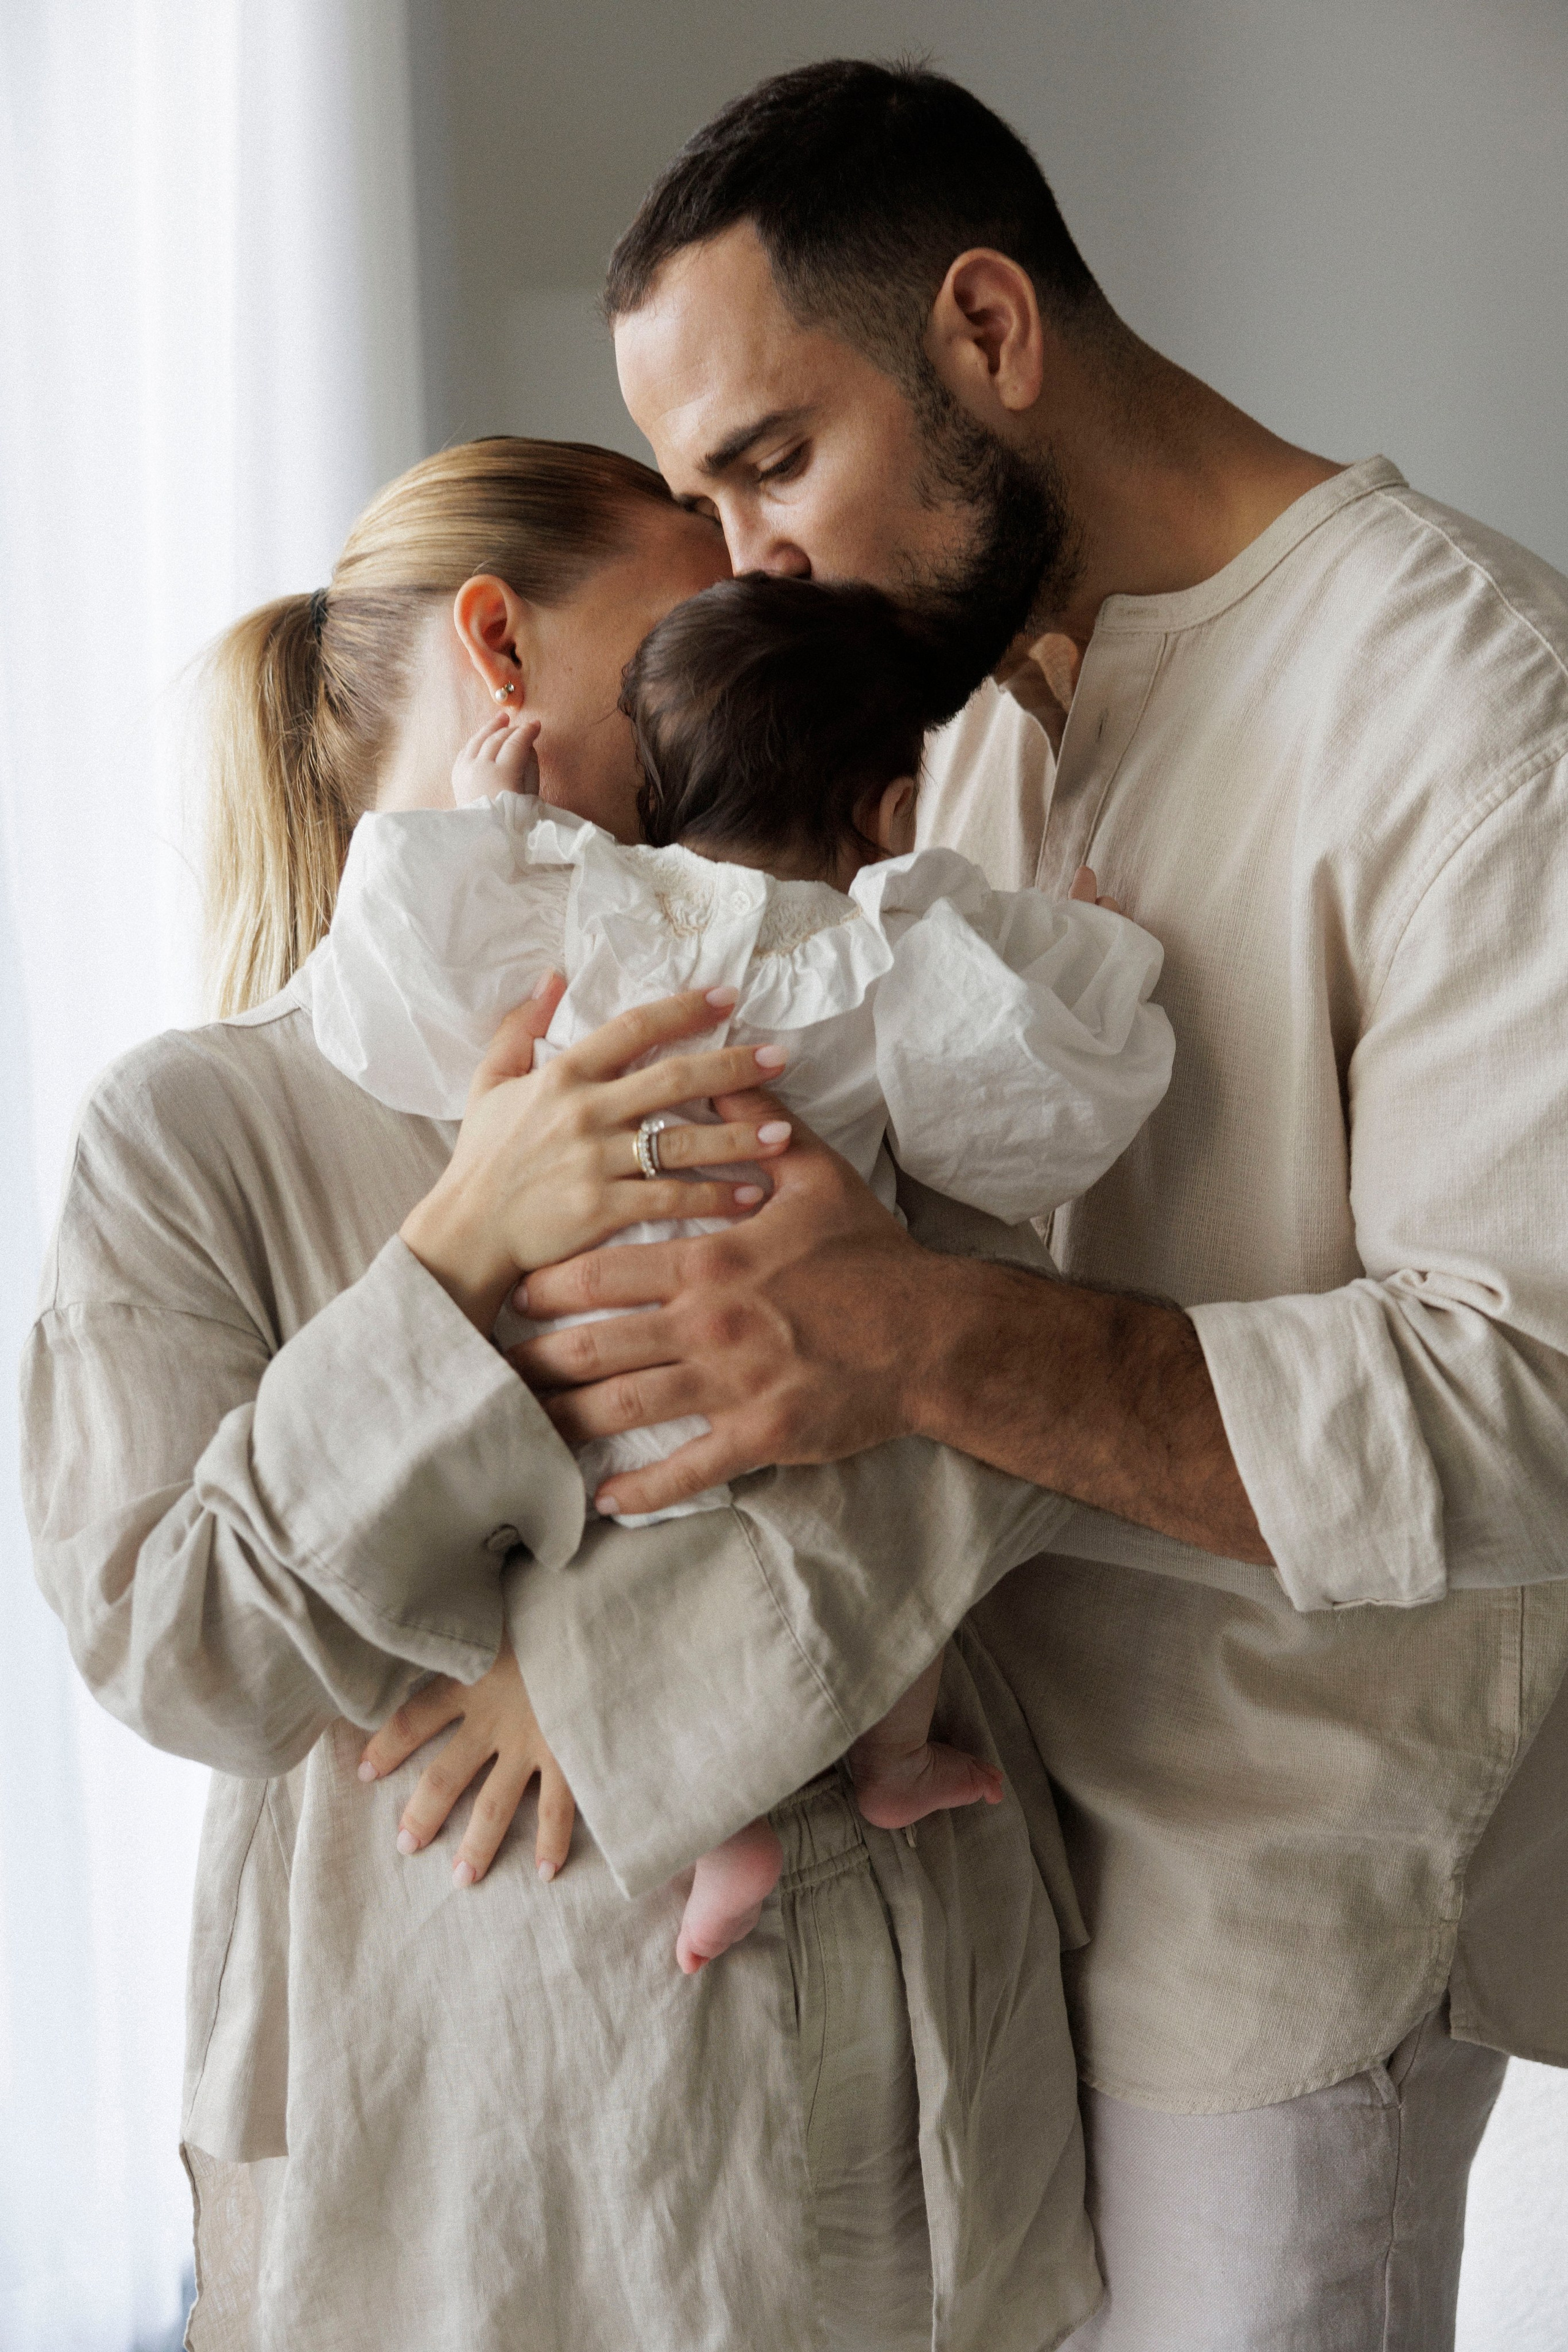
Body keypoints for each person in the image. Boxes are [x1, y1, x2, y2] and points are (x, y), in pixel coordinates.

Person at [472, 61, 1568, 2352]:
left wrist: (899, 1338)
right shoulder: (931, 710)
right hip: (955, 1869)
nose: (747, 563)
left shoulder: (1478, 706)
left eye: (774, 462)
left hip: (1275, 1919)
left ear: (987, 330)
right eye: (704, 500)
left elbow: (1528, 1405)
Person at [23, 436, 1103, 2352]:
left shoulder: (806, 1020)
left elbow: (1009, 1422)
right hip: (504, 2158)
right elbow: (178, 1647)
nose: (736, 686)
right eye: (692, 631)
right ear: (503, 651)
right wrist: (455, 1252)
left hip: (912, 2082)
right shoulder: (195, 1129)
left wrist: (616, 1692)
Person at [312, 570, 1172, 1970]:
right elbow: (1035, 1117)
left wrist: (487, 814)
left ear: (653, 783)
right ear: (891, 810)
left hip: (582, 1380)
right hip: (781, 1374)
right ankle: (888, 1758)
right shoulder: (880, 957)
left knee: (607, 1564)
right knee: (907, 1545)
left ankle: (724, 1831)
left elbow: (393, 982)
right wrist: (1077, 942)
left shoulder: (584, 900)